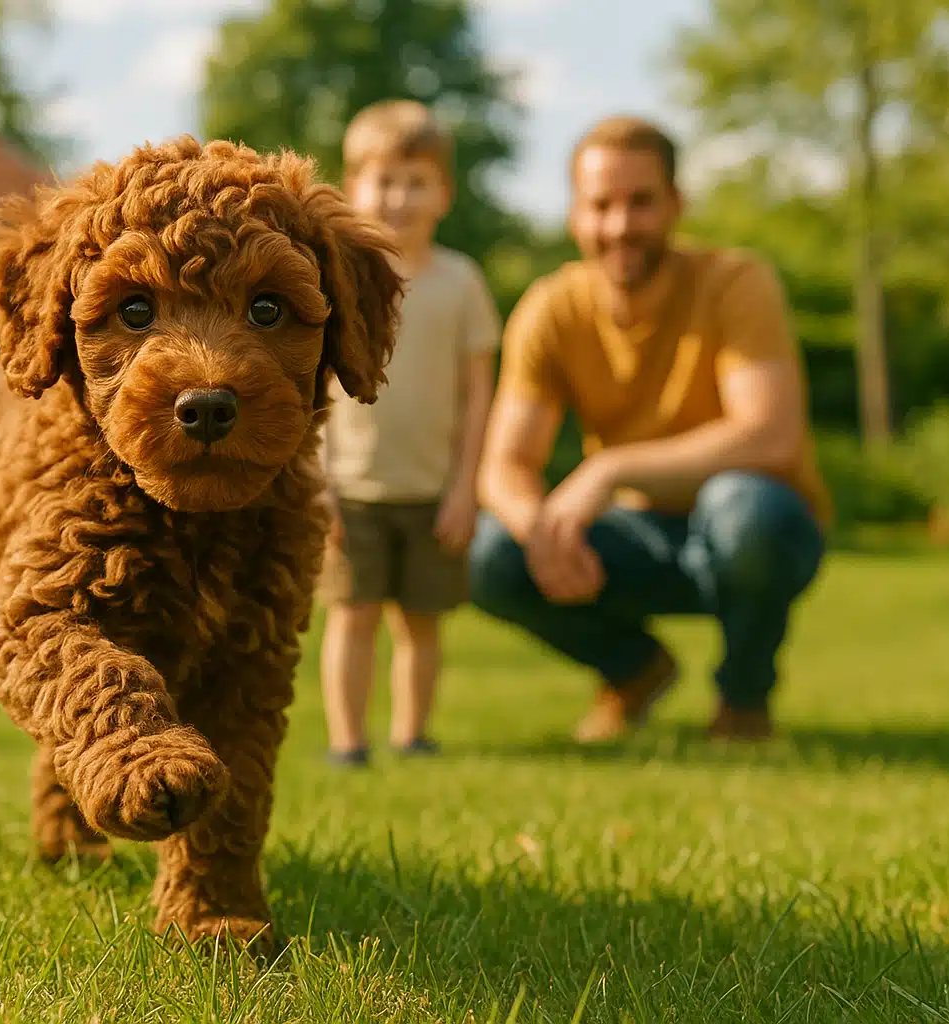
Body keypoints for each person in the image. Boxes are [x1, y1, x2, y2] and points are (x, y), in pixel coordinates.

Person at [469, 115, 832, 744]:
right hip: (633, 540)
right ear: (574, 214)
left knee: (743, 507)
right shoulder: (551, 308)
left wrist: (611, 468)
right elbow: (503, 466)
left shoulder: (736, 282)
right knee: (488, 554)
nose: (619, 225)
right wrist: (542, 533)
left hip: (761, 532)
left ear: (676, 205)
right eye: (600, 205)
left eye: (641, 202)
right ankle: (635, 671)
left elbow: (770, 436)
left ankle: (744, 702)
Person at [318, 99, 502, 766]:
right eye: (382, 179)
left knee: (421, 622)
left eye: (416, 181)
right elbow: (311, 384)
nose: (398, 196)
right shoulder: (336, 277)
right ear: (352, 187)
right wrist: (318, 483)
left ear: (444, 195)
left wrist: (466, 488)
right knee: (353, 616)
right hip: (351, 488)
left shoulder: (461, 283)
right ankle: (348, 742)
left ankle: (414, 735)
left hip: (432, 490)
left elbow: (478, 394)